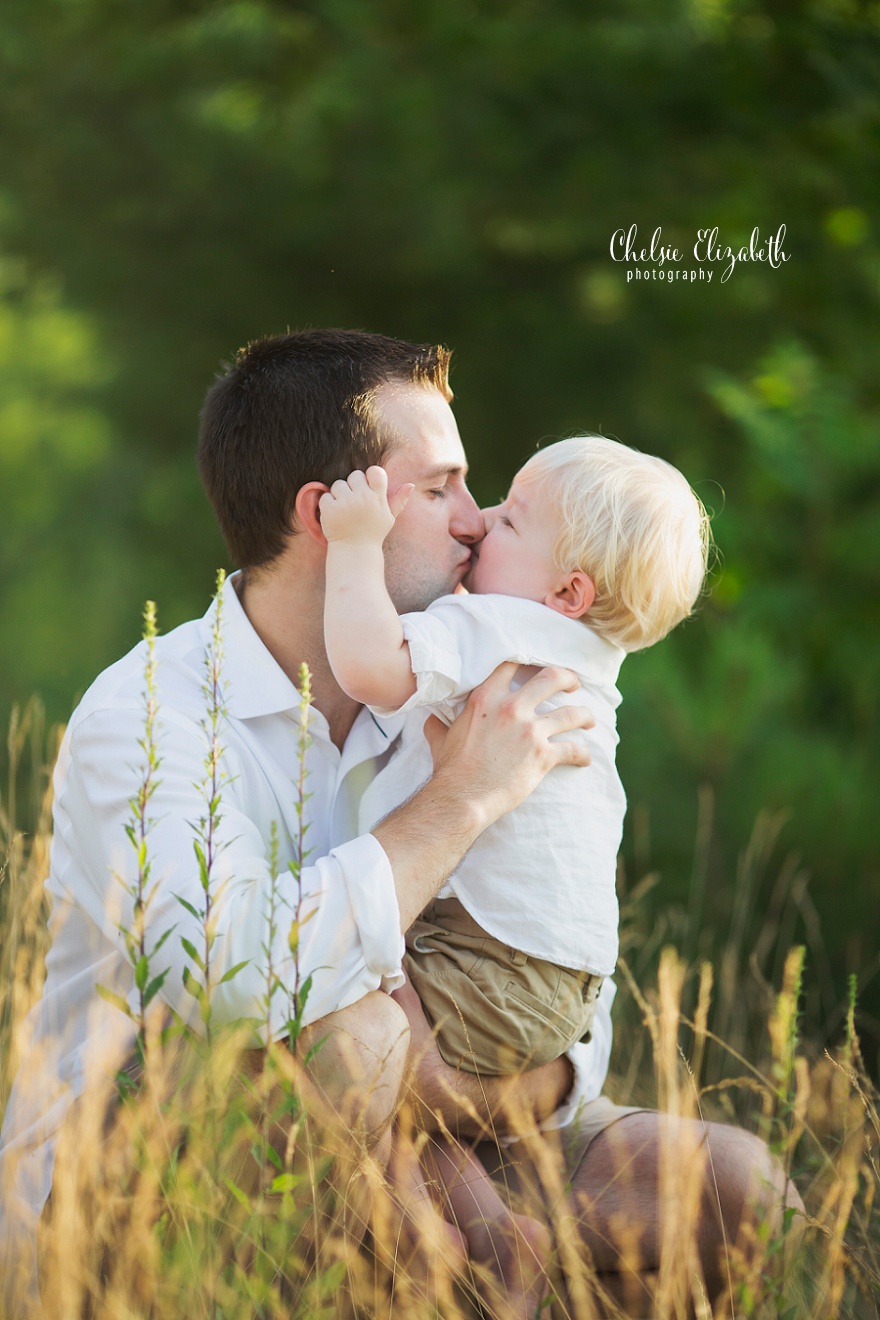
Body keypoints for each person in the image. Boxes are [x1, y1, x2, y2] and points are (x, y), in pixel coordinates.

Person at [0, 329, 800, 1317]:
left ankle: (469, 1252)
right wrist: (459, 799)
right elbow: (239, 992)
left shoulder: (462, 675)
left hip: (435, 1125)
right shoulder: (150, 715)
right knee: (358, 1043)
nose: (472, 524)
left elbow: (550, 947)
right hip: (158, 1167)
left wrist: (513, 1089)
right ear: (330, 519)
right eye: (442, 490)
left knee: (739, 1195)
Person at [318, 437, 710, 1314]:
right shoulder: (588, 663)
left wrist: (351, 543)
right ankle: (497, 1237)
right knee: (404, 1076)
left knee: (331, 1006)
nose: (478, 520)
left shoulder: (501, 627)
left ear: (567, 592)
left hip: (489, 957)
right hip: (563, 989)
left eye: (508, 519)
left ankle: (419, 1227)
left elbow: (372, 666)